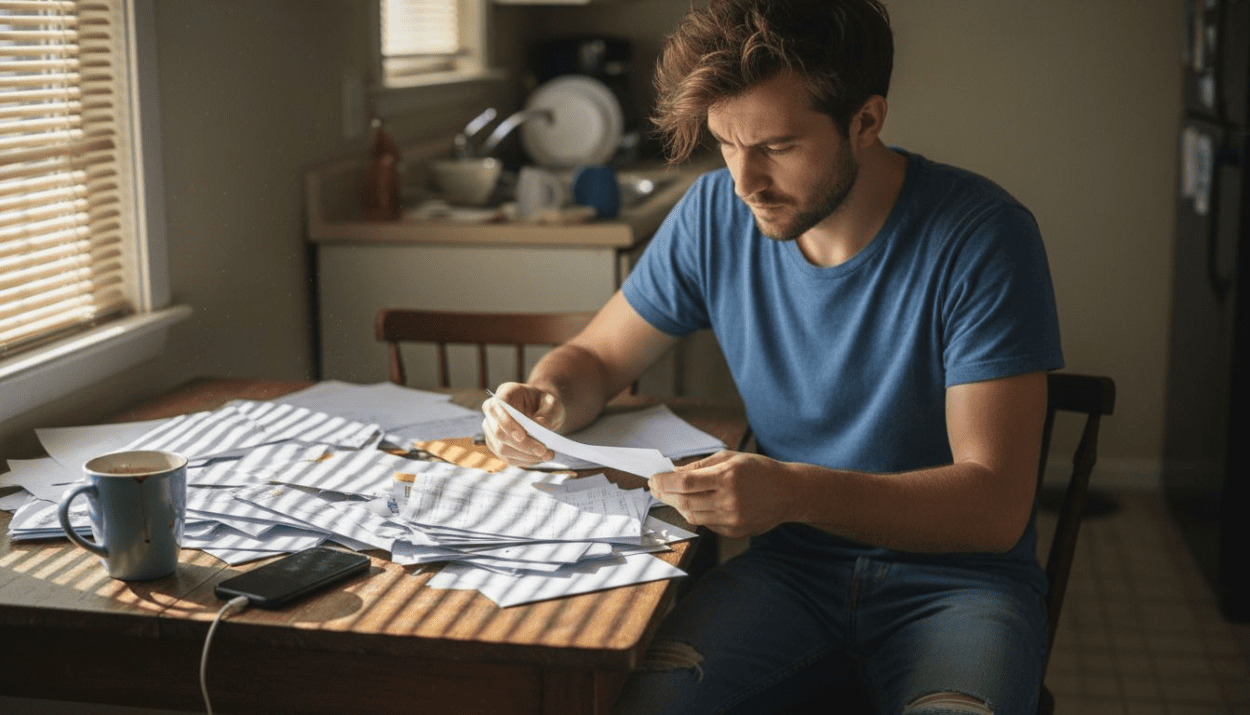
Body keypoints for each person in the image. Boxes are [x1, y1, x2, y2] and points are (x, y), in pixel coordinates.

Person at [481, 0, 1064, 712]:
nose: (743, 181)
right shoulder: (712, 216)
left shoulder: (982, 237)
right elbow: (598, 358)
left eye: (778, 147)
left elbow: (995, 504)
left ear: (866, 121)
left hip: (960, 587)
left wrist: (790, 492)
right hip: (791, 574)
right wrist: (546, 396)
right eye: (726, 143)